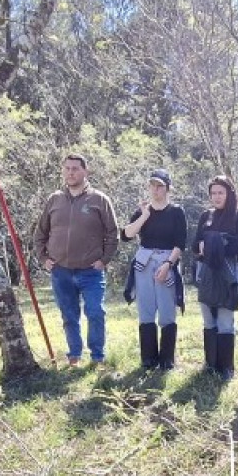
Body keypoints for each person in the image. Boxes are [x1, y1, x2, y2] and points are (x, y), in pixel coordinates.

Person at [33, 154, 119, 365]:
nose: (71, 173)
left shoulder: (99, 200)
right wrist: (43, 258)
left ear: (85, 171)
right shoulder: (54, 199)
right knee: (69, 316)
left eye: (75, 169)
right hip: (61, 270)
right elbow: (40, 233)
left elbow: (113, 233)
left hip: (91, 270)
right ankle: (74, 355)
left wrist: (104, 260)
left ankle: (97, 357)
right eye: (67, 168)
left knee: (95, 312)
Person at [121, 169, 188, 370]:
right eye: (153, 185)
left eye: (160, 186)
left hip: (167, 262)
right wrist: (144, 216)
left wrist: (168, 265)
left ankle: (167, 360)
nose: (156, 190)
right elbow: (126, 235)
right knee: (146, 310)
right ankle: (148, 359)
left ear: (168, 188)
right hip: (144, 263)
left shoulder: (176, 212)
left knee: (167, 310)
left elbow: (180, 243)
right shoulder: (143, 211)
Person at [194, 175, 238, 379]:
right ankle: (211, 365)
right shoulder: (206, 215)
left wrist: (217, 245)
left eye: (221, 192)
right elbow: (194, 245)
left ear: (229, 194)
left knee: (225, 319)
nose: (217, 197)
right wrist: (204, 245)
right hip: (206, 271)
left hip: (228, 270)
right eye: (213, 193)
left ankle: (226, 368)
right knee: (208, 318)